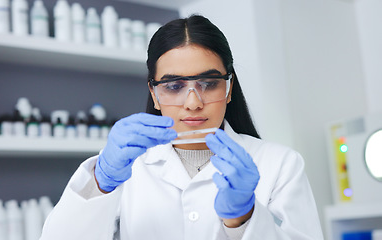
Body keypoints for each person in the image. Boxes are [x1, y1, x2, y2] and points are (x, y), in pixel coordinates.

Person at [40, 15, 323, 239]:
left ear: (229, 88)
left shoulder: (279, 165)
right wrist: (101, 182)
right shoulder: (127, 165)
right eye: (174, 86)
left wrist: (243, 219)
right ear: (155, 94)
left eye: (209, 83)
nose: (193, 102)